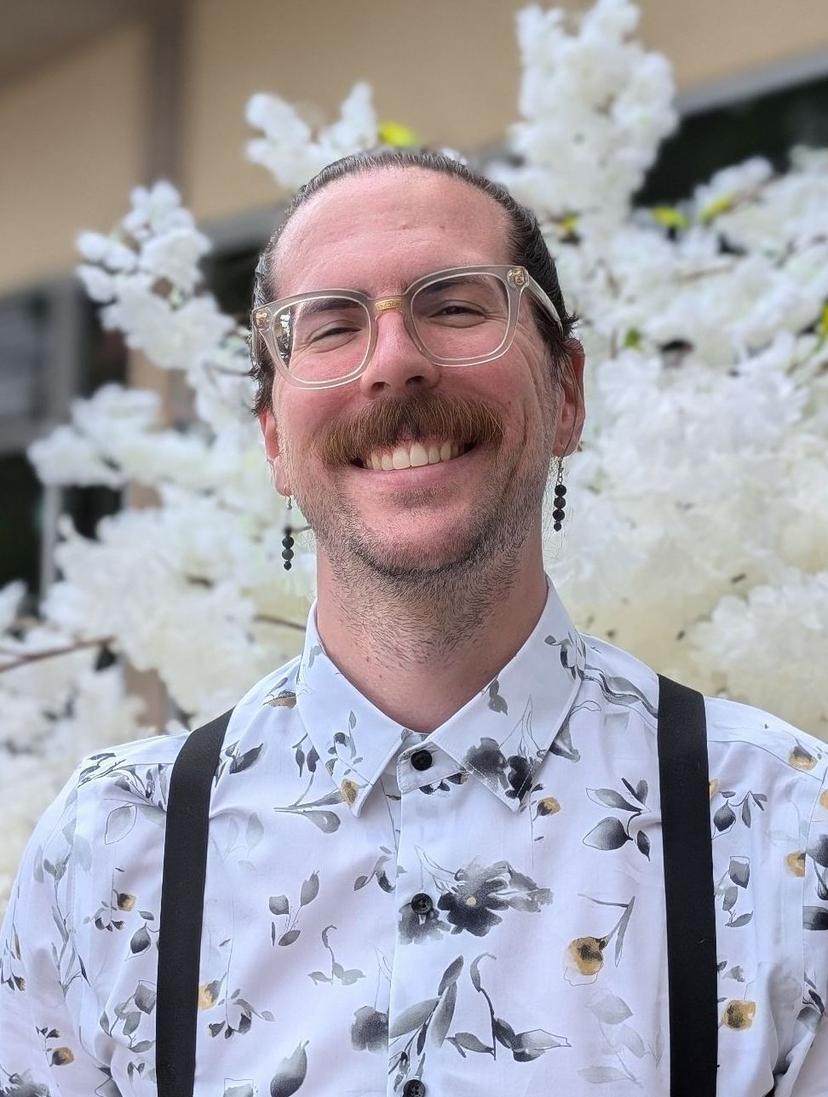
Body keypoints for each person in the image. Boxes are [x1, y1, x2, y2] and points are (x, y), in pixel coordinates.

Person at [1, 148, 826, 1097]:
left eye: (456, 305)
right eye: (330, 325)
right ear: (275, 437)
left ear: (566, 395)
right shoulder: (111, 852)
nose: (394, 361)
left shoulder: (786, 834)